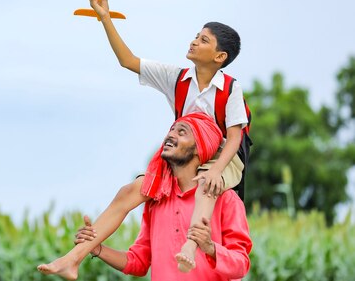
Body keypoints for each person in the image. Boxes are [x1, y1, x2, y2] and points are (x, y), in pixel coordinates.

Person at [38, 0, 249, 277]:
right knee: (130, 191)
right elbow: (128, 60)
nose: (194, 41)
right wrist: (105, 18)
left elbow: (235, 137)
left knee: (206, 185)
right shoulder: (177, 78)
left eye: (203, 40)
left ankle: (191, 245)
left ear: (219, 56)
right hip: (189, 151)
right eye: (196, 35)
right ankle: (74, 257)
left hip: (225, 156)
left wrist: (215, 172)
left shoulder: (230, 88)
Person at [39, 112, 252, 281]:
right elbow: (138, 262)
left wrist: (210, 248)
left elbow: (241, 264)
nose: (171, 135)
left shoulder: (226, 200)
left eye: (182, 132)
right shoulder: (156, 202)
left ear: (200, 149)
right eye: (171, 130)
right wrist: (97, 248)